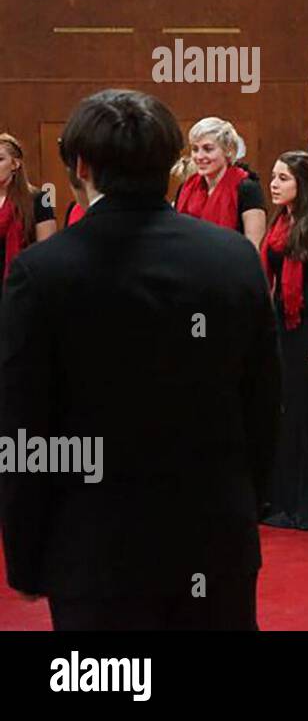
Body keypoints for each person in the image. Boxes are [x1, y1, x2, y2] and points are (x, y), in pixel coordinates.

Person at [0, 89, 279, 630]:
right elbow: (264, 404)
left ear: (81, 165)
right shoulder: (233, 260)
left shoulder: (42, 273)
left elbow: (23, 426)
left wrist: (27, 555)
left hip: (93, 550)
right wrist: (247, 508)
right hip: (214, 536)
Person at [262, 151, 308, 530]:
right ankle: (284, 498)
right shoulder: (279, 223)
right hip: (283, 324)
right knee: (286, 410)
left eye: (283, 179)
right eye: (274, 177)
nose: (274, 185)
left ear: (302, 184)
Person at [174, 117, 267, 248]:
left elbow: (254, 248)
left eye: (208, 149)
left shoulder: (247, 188)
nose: (199, 156)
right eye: (195, 149)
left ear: (228, 150)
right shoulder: (185, 188)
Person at [0, 134, 57, 295]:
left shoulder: (40, 198)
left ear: (15, 164)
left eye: (0, 159)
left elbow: (47, 250)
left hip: (23, 285)